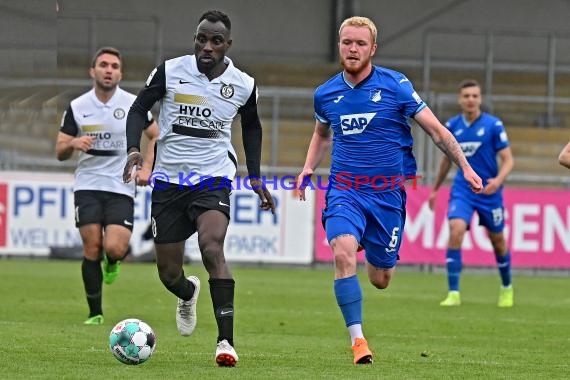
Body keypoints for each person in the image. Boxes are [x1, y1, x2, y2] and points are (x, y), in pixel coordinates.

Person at [296, 16, 483, 365]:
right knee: (342, 253)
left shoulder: (395, 86)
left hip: (387, 196)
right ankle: (358, 341)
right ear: (339, 45)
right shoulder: (325, 93)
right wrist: (309, 166)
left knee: (381, 278)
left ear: (373, 49)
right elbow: (322, 134)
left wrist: (467, 167)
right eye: (347, 42)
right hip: (344, 190)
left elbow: (437, 132)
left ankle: (368, 241)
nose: (353, 49)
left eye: (360, 44)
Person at [123, 10, 275, 367]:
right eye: (201, 39)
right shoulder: (170, 71)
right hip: (169, 181)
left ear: (228, 45)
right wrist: (134, 150)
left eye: (215, 41)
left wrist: (254, 176)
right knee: (169, 274)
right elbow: (137, 110)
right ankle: (187, 292)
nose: (206, 47)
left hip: (213, 177)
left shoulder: (243, 83)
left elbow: (252, 127)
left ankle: (226, 342)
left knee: (211, 246)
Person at [56, 47, 158, 325]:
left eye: (114, 65)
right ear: (93, 71)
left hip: (121, 185)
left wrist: (147, 166)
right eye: (103, 65)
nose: (109, 69)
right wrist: (73, 143)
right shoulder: (78, 107)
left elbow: (155, 135)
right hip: (87, 185)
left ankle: (113, 262)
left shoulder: (132, 104)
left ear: (120, 73)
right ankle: (95, 313)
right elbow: (60, 150)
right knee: (92, 247)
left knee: (114, 247)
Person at [428, 79, 515, 308]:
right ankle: (453, 293)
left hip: (489, 191)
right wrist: (435, 189)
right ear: (460, 99)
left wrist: (498, 180)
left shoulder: (494, 125)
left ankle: (506, 287)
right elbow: (445, 161)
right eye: (466, 96)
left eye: (474, 96)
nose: (470, 100)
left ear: (480, 99)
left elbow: (508, 160)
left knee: (498, 241)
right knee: (456, 230)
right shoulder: (452, 126)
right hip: (463, 190)